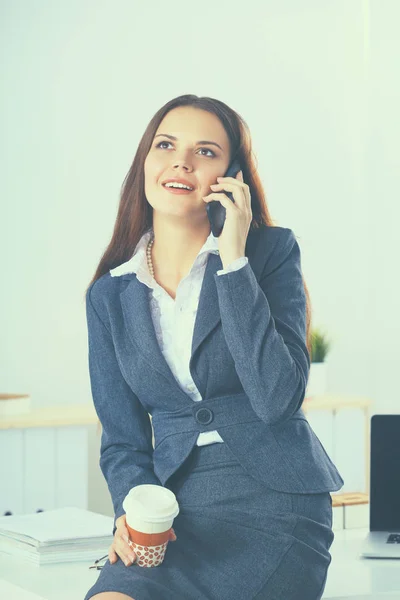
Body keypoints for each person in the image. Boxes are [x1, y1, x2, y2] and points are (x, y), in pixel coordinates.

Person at [83, 94, 344, 600]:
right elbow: (123, 441)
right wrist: (129, 512)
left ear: (233, 178)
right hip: (171, 510)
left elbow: (276, 399)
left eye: (205, 151)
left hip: (275, 502)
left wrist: (234, 259)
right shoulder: (109, 295)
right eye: (166, 145)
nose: (181, 161)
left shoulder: (270, 254)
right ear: (145, 162)